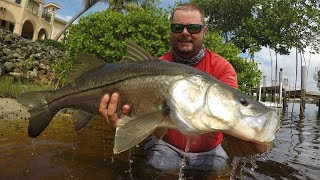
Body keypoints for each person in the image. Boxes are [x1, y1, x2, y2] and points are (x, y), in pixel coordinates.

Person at [99, 3, 267, 171]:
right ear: (171, 31)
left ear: (204, 31)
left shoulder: (221, 68)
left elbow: (229, 114)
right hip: (164, 147)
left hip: (209, 153)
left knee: (218, 172)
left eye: (193, 28)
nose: (185, 33)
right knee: (154, 169)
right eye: (178, 27)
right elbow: (150, 125)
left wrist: (248, 138)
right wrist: (126, 123)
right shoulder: (157, 65)